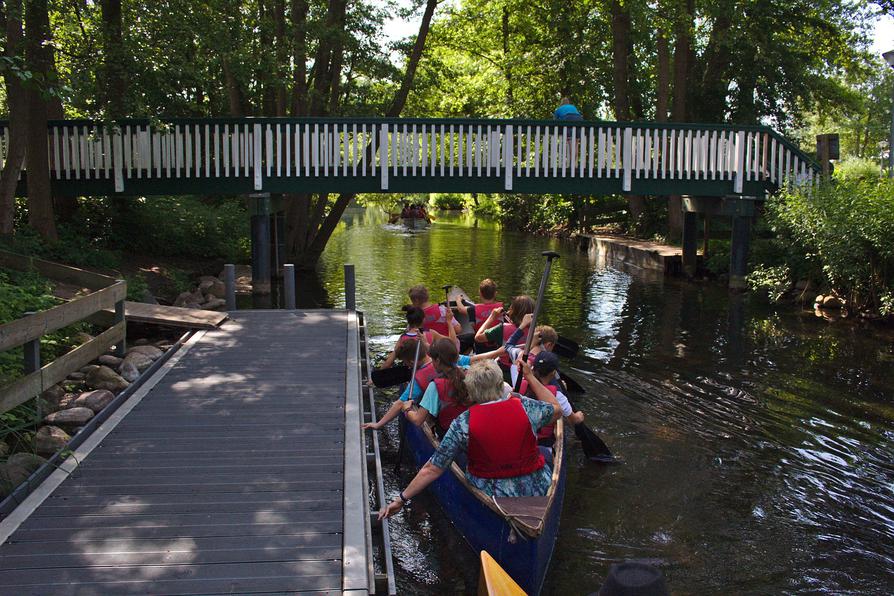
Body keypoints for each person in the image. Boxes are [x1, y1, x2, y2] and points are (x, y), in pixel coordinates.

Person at [378, 358, 562, 519]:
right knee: (546, 454)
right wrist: (529, 376)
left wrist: (401, 499)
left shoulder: (463, 422)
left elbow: (432, 468)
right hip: (536, 487)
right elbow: (556, 408)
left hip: (491, 492)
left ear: (471, 391)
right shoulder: (525, 406)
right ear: (500, 385)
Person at [363, 337, 437, 430]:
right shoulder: (439, 359)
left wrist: (378, 424)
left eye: (406, 363)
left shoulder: (418, 381)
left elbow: (399, 404)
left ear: (412, 362)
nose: (406, 366)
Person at [517, 351, 585, 446]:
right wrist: (579, 417)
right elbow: (573, 420)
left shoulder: (519, 384)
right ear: (553, 373)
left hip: (520, 435)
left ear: (533, 367)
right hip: (541, 442)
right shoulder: (558, 396)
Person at [473, 295, 534, 365]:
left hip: (503, 368)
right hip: (521, 368)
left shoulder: (502, 328)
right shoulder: (535, 331)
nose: (508, 312)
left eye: (510, 308)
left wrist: (492, 317)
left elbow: (478, 338)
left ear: (513, 311)